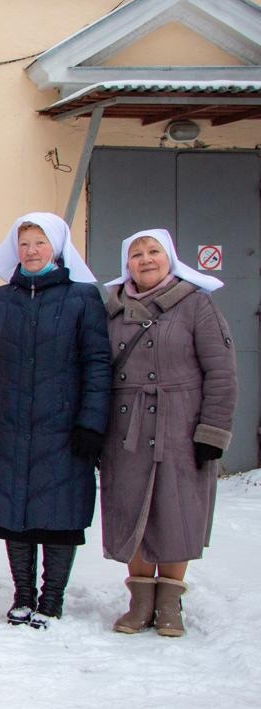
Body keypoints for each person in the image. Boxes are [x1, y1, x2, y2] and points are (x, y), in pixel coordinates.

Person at [0, 213, 110, 627]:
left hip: (62, 427)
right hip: (7, 423)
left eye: (39, 243)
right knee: (14, 514)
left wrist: (91, 423)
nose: (31, 251)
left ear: (57, 249)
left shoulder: (82, 297)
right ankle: (23, 595)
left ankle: (52, 598)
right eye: (24, 243)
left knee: (60, 515)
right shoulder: (0, 300)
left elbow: (97, 363)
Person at [100, 229, 237, 638]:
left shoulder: (197, 305)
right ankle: (140, 601)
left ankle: (170, 601)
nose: (145, 260)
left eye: (153, 252)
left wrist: (213, 430)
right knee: (130, 508)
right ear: (127, 264)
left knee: (177, 510)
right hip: (126, 427)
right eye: (136, 254)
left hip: (181, 424)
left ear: (169, 258)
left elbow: (222, 372)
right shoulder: (112, 310)